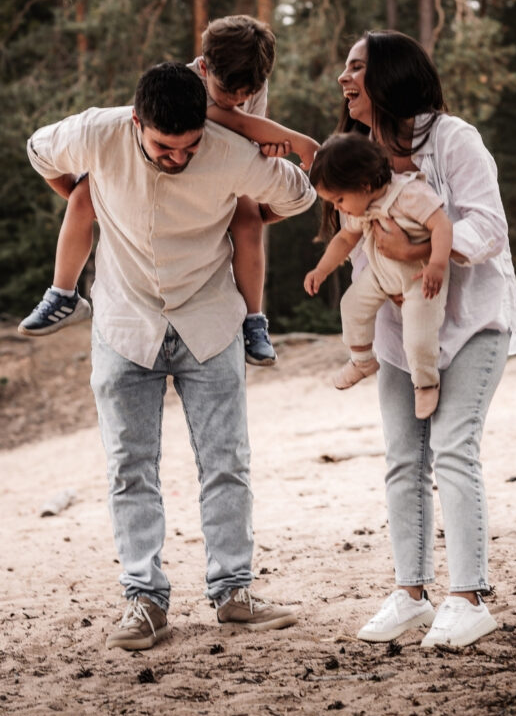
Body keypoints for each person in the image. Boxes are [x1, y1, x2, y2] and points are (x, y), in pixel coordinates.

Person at [25, 62, 317, 650]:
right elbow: (38, 150)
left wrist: (254, 213)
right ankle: (145, 600)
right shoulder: (96, 132)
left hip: (209, 323)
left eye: (189, 147)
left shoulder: (231, 152)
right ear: (136, 122)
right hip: (123, 324)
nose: (178, 158)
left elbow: (301, 193)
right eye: (164, 146)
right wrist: (93, 198)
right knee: (129, 468)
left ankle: (234, 593)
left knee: (226, 462)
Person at [334, 30, 516, 649]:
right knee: (402, 458)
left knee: (452, 447)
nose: (345, 79)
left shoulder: (454, 138)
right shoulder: (358, 149)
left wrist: (421, 251)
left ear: (389, 75)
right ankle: (410, 593)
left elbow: (489, 226)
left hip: (471, 321)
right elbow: (359, 234)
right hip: (401, 331)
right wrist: (380, 282)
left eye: (357, 67)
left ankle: (468, 597)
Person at [18, 14, 319, 368]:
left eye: (246, 96)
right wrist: (298, 141)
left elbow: (245, 137)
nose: (235, 102)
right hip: (152, 173)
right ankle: (63, 293)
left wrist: (267, 149)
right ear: (205, 68)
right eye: (226, 94)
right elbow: (230, 121)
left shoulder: (248, 80)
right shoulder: (184, 85)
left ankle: (253, 318)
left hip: (211, 176)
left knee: (250, 217)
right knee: (85, 193)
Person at [303, 133, 453, 419]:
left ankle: (426, 384)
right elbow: (344, 240)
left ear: (365, 185)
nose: (338, 208)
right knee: (351, 306)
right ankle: (361, 361)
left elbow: (442, 226)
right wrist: (321, 269)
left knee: (418, 336)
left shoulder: (409, 194)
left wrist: (436, 264)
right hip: (381, 273)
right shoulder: (362, 205)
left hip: (420, 276)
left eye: (339, 199)